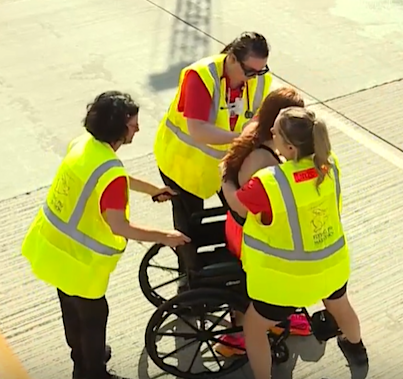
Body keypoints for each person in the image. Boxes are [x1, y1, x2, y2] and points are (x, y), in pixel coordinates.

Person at [21, 91, 190, 379]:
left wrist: (153, 190)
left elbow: (115, 177)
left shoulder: (84, 145)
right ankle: (94, 371)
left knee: (71, 310)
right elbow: (120, 226)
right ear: (118, 128)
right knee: (94, 317)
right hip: (81, 264)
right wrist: (166, 236)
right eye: (133, 124)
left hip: (52, 249)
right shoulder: (109, 171)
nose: (138, 128)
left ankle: (81, 358)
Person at [223, 107, 369, 379]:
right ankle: (357, 352)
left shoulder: (269, 183)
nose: (271, 135)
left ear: (288, 146)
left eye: (274, 132)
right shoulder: (329, 164)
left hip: (285, 284)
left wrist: (225, 180)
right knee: (342, 308)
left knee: (254, 327)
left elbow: (238, 206)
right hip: (331, 269)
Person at [153, 31, 272, 270]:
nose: (254, 78)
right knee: (188, 228)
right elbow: (197, 130)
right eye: (249, 71)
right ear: (232, 59)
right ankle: (189, 278)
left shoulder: (258, 79)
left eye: (261, 71)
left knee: (239, 213)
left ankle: (233, 268)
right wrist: (240, 139)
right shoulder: (201, 76)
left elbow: (258, 115)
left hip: (224, 162)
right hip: (183, 163)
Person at [214, 86, 308, 357]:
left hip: (233, 226)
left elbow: (225, 174)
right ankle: (271, 320)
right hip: (247, 235)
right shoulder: (266, 161)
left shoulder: (251, 132)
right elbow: (252, 207)